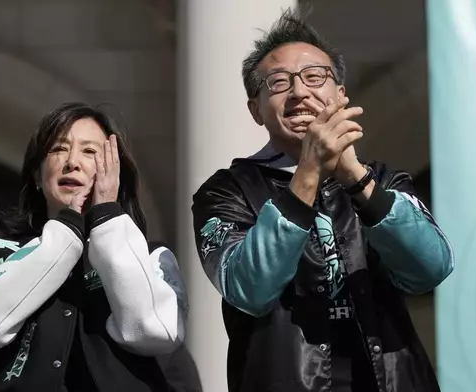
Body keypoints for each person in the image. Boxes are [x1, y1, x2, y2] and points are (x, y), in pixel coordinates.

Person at [191, 9, 454, 392]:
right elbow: (248, 288)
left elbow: (431, 268)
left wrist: (355, 178)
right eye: (278, 82)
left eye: (315, 77)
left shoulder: (383, 180)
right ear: (255, 109)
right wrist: (308, 173)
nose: (300, 92)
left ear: (340, 95)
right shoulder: (227, 191)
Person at [0, 102, 200, 392]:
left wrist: (106, 218)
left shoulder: (153, 256)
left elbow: (155, 329)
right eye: (58, 149)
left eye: (90, 151)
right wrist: (66, 232)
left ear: (115, 174)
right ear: (37, 177)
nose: (72, 162)